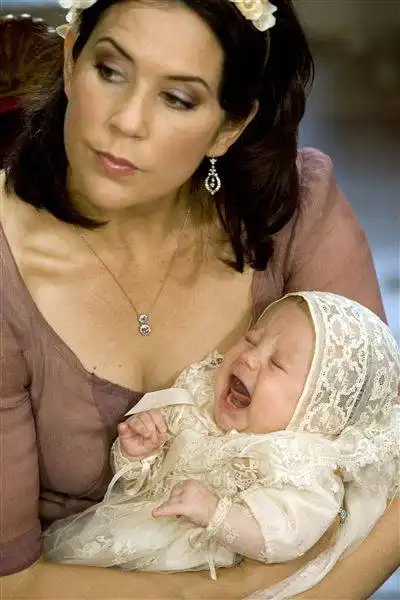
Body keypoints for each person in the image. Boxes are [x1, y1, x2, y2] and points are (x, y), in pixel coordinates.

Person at [1, 0, 398, 597]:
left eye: (177, 98)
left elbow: (389, 470)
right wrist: (222, 592)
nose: (127, 121)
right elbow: (13, 582)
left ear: (227, 128)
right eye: (110, 70)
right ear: (70, 58)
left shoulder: (295, 209)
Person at [42, 291, 399, 600]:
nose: (249, 358)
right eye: (252, 340)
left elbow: (286, 536)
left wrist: (218, 513)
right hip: (132, 539)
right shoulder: (197, 402)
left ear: (319, 415)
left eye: (276, 364)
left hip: (203, 566)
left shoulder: (299, 461)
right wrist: (138, 455)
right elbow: (138, 486)